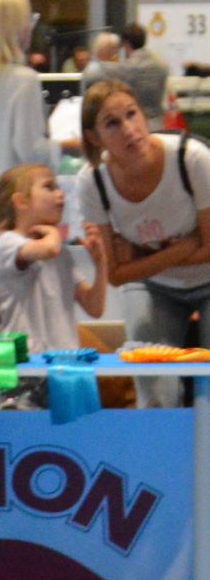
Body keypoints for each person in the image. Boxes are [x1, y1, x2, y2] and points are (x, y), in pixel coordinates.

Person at [77, 79, 210, 407]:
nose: (128, 128)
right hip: (155, 288)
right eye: (112, 123)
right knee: (153, 391)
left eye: (131, 114)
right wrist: (181, 247)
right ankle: (162, 456)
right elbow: (117, 275)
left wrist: (141, 255)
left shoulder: (191, 158)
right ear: (94, 138)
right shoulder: (92, 182)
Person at [0, 163, 106, 353]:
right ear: (21, 201)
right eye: (49, 187)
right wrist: (53, 233)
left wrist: (101, 263)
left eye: (58, 187)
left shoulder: (61, 253)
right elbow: (48, 249)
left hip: (65, 358)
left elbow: (95, 308)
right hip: (27, 364)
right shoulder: (7, 243)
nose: (60, 194)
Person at [0, 0, 60, 218]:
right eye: (28, 18)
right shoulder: (23, 80)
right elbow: (30, 150)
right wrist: (62, 146)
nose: (31, 25)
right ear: (15, 27)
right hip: (16, 208)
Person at [110, 23, 170, 132]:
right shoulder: (162, 65)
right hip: (159, 124)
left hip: (136, 126)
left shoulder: (125, 68)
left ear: (126, 44)